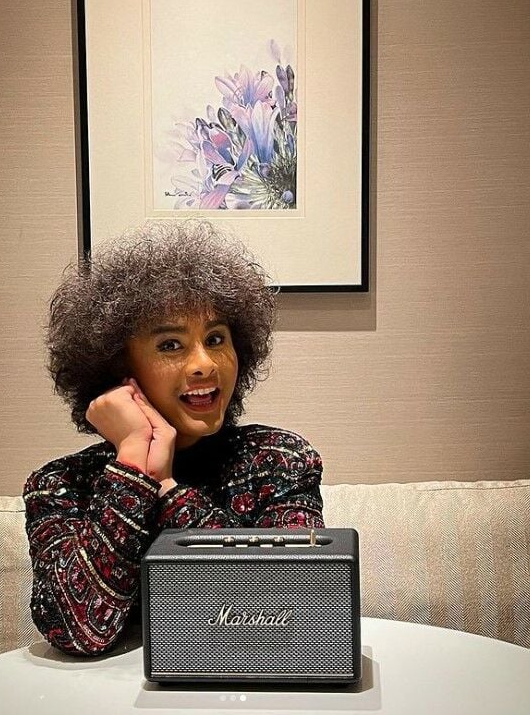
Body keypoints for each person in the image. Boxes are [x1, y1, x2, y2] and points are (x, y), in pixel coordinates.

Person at [23, 219, 324, 655]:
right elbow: (79, 633)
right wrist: (132, 464)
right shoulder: (60, 486)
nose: (205, 364)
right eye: (171, 345)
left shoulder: (280, 461)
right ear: (117, 369)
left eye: (216, 339)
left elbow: (292, 610)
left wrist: (167, 489)